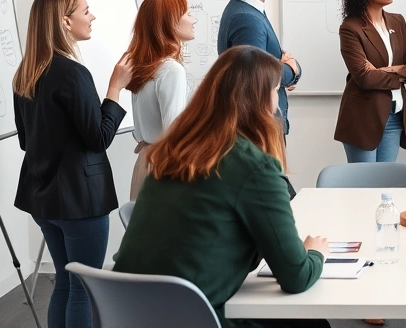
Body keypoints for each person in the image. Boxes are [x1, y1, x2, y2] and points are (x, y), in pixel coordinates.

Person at [113, 46, 330, 328]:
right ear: (261, 98)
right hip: (193, 317)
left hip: (127, 311)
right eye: (276, 90)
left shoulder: (173, 151)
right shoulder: (255, 166)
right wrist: (315, 253)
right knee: (312, 323)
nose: (277, 101)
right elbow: (296, 277)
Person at [12, 0, 133, 328]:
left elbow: (26, 141)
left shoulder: (26, 73)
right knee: (83, 288)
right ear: (66, 21)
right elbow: (98, 138)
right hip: (80, 202)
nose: (92, 16)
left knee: (65, 283)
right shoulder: (73, 73)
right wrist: (114, 89)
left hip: (42, 199)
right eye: (86, 10)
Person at [334, 0, 406, 162]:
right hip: (363, 117)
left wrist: (387, 71)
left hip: (395, 115)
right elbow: (364, 78)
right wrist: (401, 72)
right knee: (364, 185)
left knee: (384, 183)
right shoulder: (351, 28)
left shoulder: (397, 21)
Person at [217, 0, 300, 134]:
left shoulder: (246, 10)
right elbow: (258, 76)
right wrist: (291, 69)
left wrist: (283, 70)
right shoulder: (247, 18)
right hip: (259, 128)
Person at [125, 0, 196, 200]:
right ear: (172, 22)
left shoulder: (145, 68)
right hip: (164, 170)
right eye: (188, 13)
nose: (194, 20)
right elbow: (173, 135)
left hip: (145, 164)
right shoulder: (171, 70)